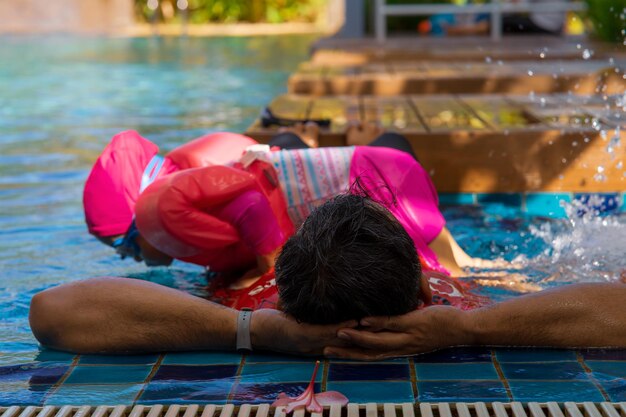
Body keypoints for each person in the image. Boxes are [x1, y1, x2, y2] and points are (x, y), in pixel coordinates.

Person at [29, 193, 626, 356]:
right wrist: (465, 332)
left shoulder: (260, 306)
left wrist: (257, 333)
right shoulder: (448, 306)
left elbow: (51, 312)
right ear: (423, 283)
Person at [86, 123, 484, 281]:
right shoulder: (192, 171)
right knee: (468, 268)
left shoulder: (180, 199)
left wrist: (267, 274)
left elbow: (255, 216)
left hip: (381, 188)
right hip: (380, 176)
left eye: (125, 247)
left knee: (452, 278)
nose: (131, 259)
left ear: (144, 218)